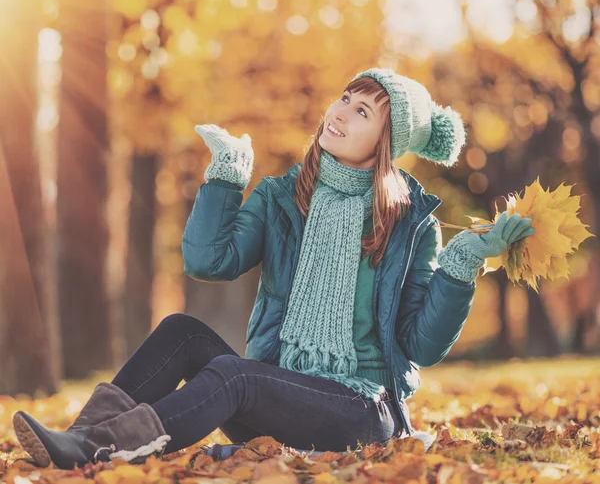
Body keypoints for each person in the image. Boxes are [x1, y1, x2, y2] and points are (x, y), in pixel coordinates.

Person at [13, 68, 534, 469]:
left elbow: (420, 345)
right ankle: (78, 441)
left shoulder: (411, 225)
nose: (342, 113)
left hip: (359, 411)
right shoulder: (285, 197)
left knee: (233, 375)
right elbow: (206, 260)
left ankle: (101, 448)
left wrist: (461, 265)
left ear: (386, 145)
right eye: (345, 99)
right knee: (181, 332)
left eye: (364, 113)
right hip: (277, 397)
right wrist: (225, 178)